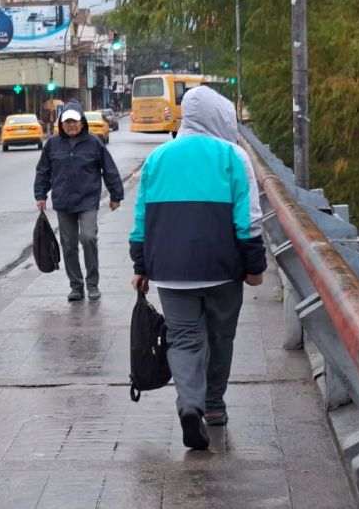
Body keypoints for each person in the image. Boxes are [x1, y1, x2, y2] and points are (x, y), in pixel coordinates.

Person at [128, 85, 266, 451]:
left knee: (184, 339)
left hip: (169, 271)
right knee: (220, 337)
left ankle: (190, 404)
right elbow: (249, 219)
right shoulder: (233, 156)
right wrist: (254, 265)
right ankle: (214, 405)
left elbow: (141, 218)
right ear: (220, 116)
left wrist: (140, 264)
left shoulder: (158, 157)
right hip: (222, 268)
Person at [34, 102, 124, 302]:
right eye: (67, 122)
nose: (71, 125)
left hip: (87, 201)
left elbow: (109, 169)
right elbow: (43, 171)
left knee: (88, 237)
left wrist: (116, 195)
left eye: (75, 121)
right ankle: (76, 286)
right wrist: (40, 195)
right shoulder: (52, 144)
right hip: (63, 202)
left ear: (82, 122)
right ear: (61, 124)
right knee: (68, 246)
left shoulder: (94, 143)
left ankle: (92, 284)